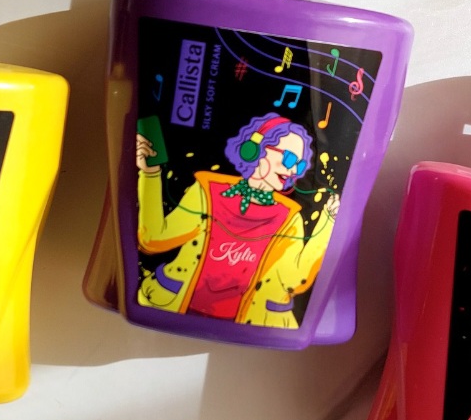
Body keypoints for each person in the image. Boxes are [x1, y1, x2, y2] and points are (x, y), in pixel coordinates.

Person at [136, 112, 339, 327]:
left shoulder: (289, 218)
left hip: (250, 324)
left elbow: (294, 280)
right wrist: (150, 174)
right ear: (257, 150)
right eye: (289, 158)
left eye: (299, 165)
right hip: (173, 308)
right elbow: (154, 239)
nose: (292, 170)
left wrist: (328, 222)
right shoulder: (207, 192)